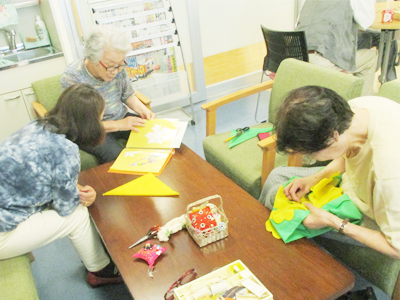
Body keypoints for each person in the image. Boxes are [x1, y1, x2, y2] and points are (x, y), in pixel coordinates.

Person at [0, 84, 123, 287]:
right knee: (77, 216)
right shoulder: (65, 150)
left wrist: (73, 189)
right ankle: (101, 270)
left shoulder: (37, 126)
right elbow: (65, 207)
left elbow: (41, 176)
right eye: (100, 119)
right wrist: (80, 196)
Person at [259, 86, 400, 260]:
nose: (309, 158)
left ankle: (278, 259)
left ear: (333, 137)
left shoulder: (389, 174)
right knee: (278, 176)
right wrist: (312, 179)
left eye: (310, 155)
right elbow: (349, 155)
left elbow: (397, 248)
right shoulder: (355, 110)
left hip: (374, 216)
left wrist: (332, 221)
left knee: (287, 210)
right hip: (355, 184)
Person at [61, 25, 156, 164]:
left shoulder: (117, 67)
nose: (116, 71)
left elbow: (128, 95)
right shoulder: (72, 77)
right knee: (118, 157)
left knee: (155, 137)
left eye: (120, 64)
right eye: (111, 65)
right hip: (92, 130)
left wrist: (144, 111)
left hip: (121, 118)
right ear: (92, 58)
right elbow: (82, 125)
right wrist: (120, 124)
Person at [296, 0, 378, 96]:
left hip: (297, 55)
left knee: (365, 39)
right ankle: (359, 105)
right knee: (370, 58)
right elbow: (366, 22)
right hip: (319, 62)